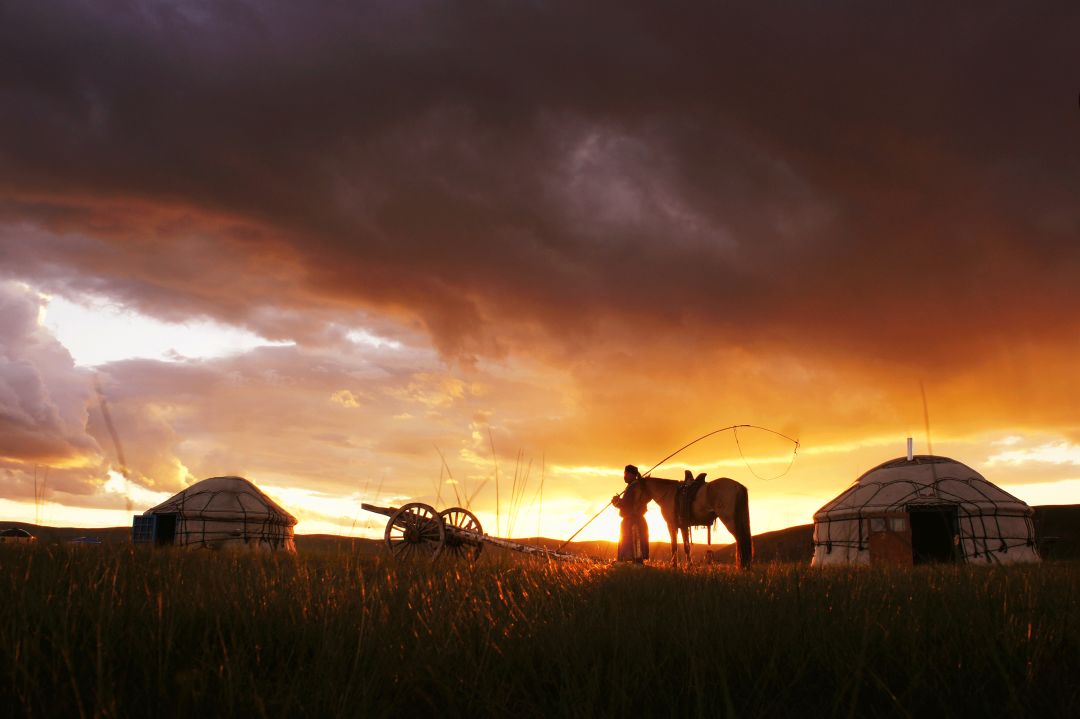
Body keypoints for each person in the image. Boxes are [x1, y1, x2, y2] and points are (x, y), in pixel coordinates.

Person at [612, 464, 649, 563]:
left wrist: (616, 501)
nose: (624, 476)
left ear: (632, 475)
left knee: (631, 543)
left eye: (626, 474)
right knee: (634, 545)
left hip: (632, 521)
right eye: (624, 473)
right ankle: (633, 563)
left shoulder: (634, 487)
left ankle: (629, 563)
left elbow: (627, 504)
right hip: (635, 520)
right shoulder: (635, 486)